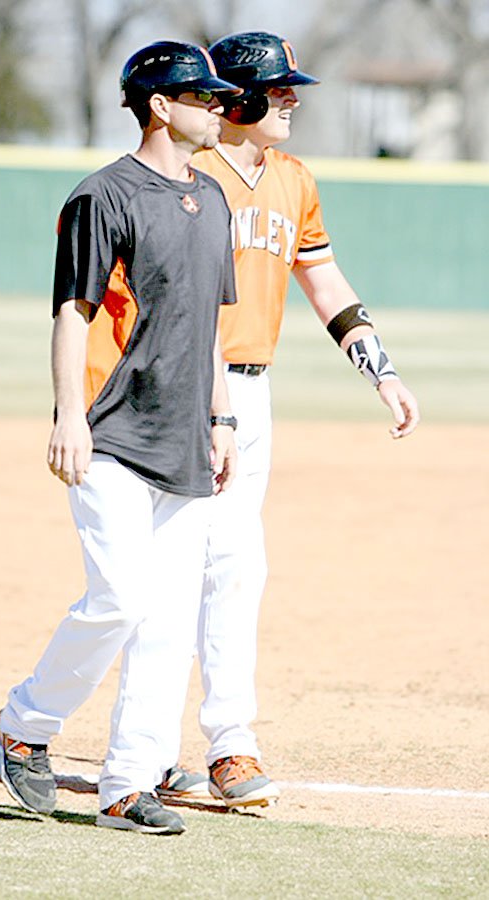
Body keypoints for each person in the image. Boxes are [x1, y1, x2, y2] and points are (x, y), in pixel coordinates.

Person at [153, 31, 420, 809]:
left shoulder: (294, 181)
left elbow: (324, 279)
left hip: (253, 395)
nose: (292, 99)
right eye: (278, 89)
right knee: (175, 570)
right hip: (181, 391)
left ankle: (226, 743)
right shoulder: (187, 174)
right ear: (234, 99)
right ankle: (159, 747)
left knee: (235, 567)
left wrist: (383, 371)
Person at [0, 40, 243, 835]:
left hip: (186, 440)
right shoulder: (105, 196)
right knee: (120, 599)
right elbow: (74, 311)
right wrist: (68, 413)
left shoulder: (214, 198)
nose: (215, 109)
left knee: (169, 624)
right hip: (111, 432)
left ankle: (127, 786)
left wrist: (223, 415)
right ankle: (26, 723)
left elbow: (209, 326)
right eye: (200, 98)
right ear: (160, 106)